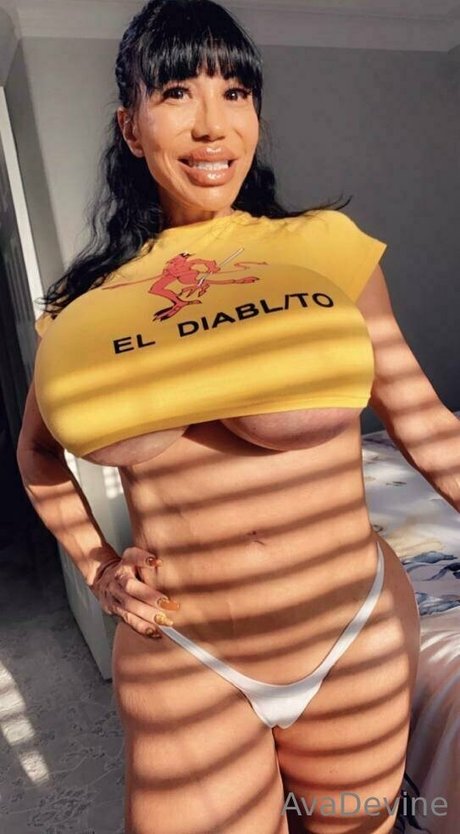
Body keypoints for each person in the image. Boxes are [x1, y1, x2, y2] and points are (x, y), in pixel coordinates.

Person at [19, 0, 460, 831]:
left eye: (236, 92)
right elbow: (37, 453)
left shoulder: (324, 248)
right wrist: (98, 565)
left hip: (350, 628)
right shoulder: (84, 309)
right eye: (177, 92)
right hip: (186, 650)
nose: (213, 124)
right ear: (130, 126)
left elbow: (426, 424)